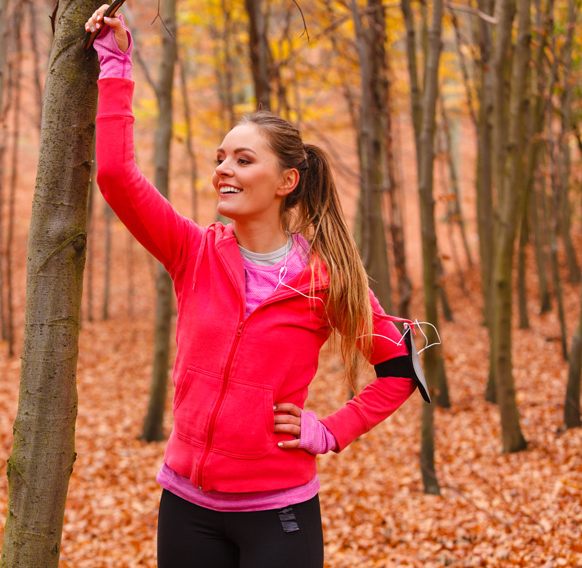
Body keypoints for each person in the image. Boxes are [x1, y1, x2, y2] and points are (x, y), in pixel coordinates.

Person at [85, 7, 422, 567]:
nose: (224, 170)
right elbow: (117, 176)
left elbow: (399, 370)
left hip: (278, 515)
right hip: (186, 506)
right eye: (220, 158)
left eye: (244, 160)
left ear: (287, 181)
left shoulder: (327, 279)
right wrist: (115, 62)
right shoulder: (191, 251)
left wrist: (330, 430)